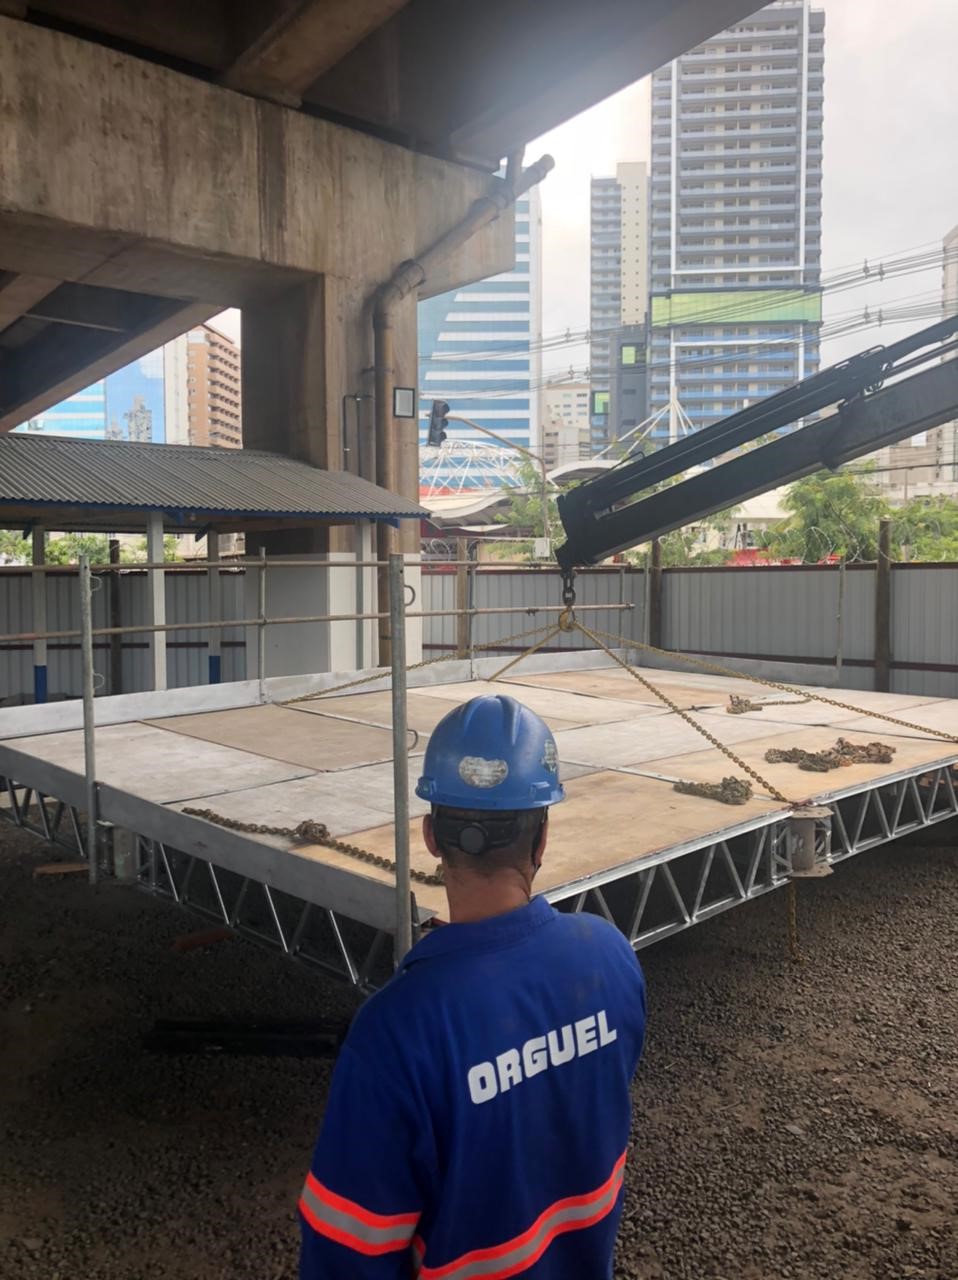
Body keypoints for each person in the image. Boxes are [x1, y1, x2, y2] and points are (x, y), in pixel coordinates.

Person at [299, 694, 647, 1279]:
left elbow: (347, 1252)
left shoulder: (397, 1031)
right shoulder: (609, 957)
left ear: (431, 836)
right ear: (541, 838)